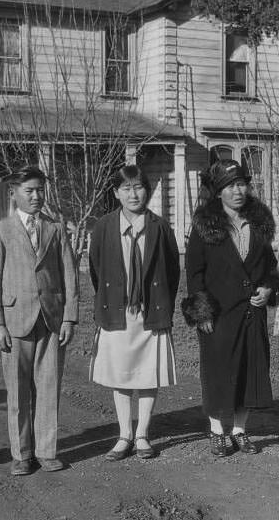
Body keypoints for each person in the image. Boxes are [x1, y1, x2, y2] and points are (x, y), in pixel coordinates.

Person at [182, 159, 279, 457]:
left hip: (252, 314)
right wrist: (202, 312)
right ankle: (217, 431)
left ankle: (240, 431)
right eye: (229, 186)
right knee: (218, 371)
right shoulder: (205, 227)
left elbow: (270, 266)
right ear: (218, 192)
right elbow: (194, 273)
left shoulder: (259, 224)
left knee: (249, 371)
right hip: (218, 314)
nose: (237, 191)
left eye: (241, 184)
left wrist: (268, 288)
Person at [0, 165, 78, 476]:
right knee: (18, 390)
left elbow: (69, 275)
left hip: (51, 318)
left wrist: (69, 318)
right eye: (30, 191)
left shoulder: (56, 228)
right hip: (15, 320)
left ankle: (47, 451)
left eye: (40, 190)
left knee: (49, 387)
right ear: (14, 194)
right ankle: (21, 454)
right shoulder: (1, 230)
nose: (37, 196)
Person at [89, 165, 180, 461]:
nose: (133, 194)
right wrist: (114, 295)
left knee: (147, 374)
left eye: (138, 187)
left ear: (147, 190)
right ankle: (124, 434)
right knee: (121, 374)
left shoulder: (160, 227)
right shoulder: (103, 226)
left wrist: (157, 301)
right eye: (126, 188)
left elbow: (172, 272)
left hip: (150, 311)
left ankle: (142, 434)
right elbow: (95, 268)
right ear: (116, 193)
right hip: (118, 310)